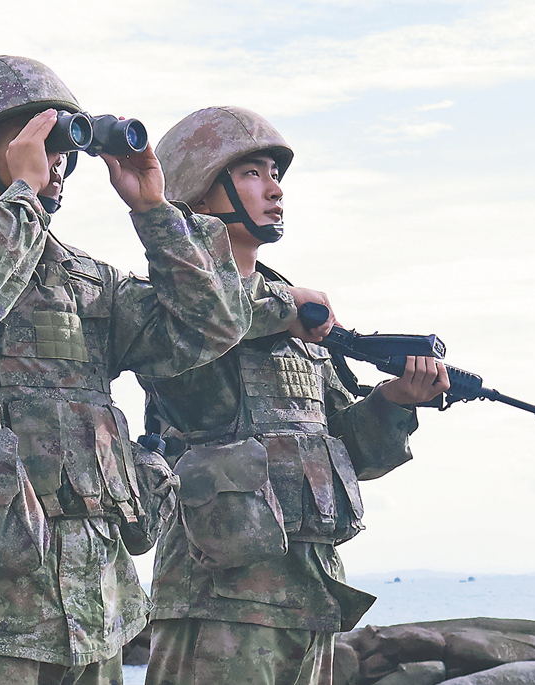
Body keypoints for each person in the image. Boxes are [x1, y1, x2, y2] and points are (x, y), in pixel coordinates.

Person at [0, 58, 251, 685]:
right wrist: (20, 200)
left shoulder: (91, 284)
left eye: (63, 143)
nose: (57, 158)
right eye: (34, 138)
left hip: (98, 606)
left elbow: (210, 329)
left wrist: (154, 212)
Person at [139, 106, 451, 685]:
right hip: (218, 603)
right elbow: (200, 326)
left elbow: (345, 451)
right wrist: (285, 311)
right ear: (200, 191)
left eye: (275, 174)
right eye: (253, 172)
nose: (276, 189)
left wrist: (395, 402)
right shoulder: (169, 307)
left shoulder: (301, 319)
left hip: (308, 596)